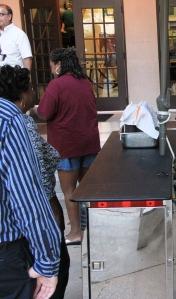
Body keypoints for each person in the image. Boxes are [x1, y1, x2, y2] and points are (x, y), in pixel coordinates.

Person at [7, 65, 70, 298]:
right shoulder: (18, 124)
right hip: (26, 225)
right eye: (31, 88)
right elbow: (34, 180)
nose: (35, 92)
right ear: (23, 95)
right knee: (56, 269)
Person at [37, 48, 101, 245]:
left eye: (52, 65)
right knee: (87, 191)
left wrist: (37, 107)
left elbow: (44, 113)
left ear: (58, 65)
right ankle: (89, 229)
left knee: (69, 192)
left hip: (67, 147)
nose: (51, 69)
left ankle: (75, 233)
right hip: (89, 143)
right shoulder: (85, 83)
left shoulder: (56, 85)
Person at [0, 4, 32, 70]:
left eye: (0, 15)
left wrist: (25, 78)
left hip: (14, 77)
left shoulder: (19, 34)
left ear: (9, 16)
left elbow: (27, 58)